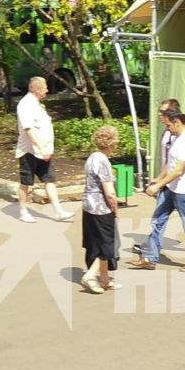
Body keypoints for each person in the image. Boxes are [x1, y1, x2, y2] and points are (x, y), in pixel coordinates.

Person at [130, 109, 185, 272]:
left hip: (183, 192)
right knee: (158, 221)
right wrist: (158, 179)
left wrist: (158, 186)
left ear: (177, 122)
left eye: (168, 125)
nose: (167, 128)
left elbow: (179, 170)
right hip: (171, 189)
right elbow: (170, 164)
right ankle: (150, 258)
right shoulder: (177, 138)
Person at [14, 76, 69, 223]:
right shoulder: (25, 105)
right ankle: (23, 212)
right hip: (30, 151)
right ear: (37, 89)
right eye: (45, 87)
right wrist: (41, 147)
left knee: (49, 179)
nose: (48, 90)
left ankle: (58, 211)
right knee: (26, 182)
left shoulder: (36, 104)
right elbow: (29, 129)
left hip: (44, 151)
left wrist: (46, 148)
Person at [79, 125, 122, 295]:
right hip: (101, 209)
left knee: (96, 243)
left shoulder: (92, 157)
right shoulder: (104, 161)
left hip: (88, 206)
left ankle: (104, 279)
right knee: (107, 245)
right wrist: (115, 208)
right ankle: (90, 275)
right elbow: (109, 191)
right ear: (112, 143)